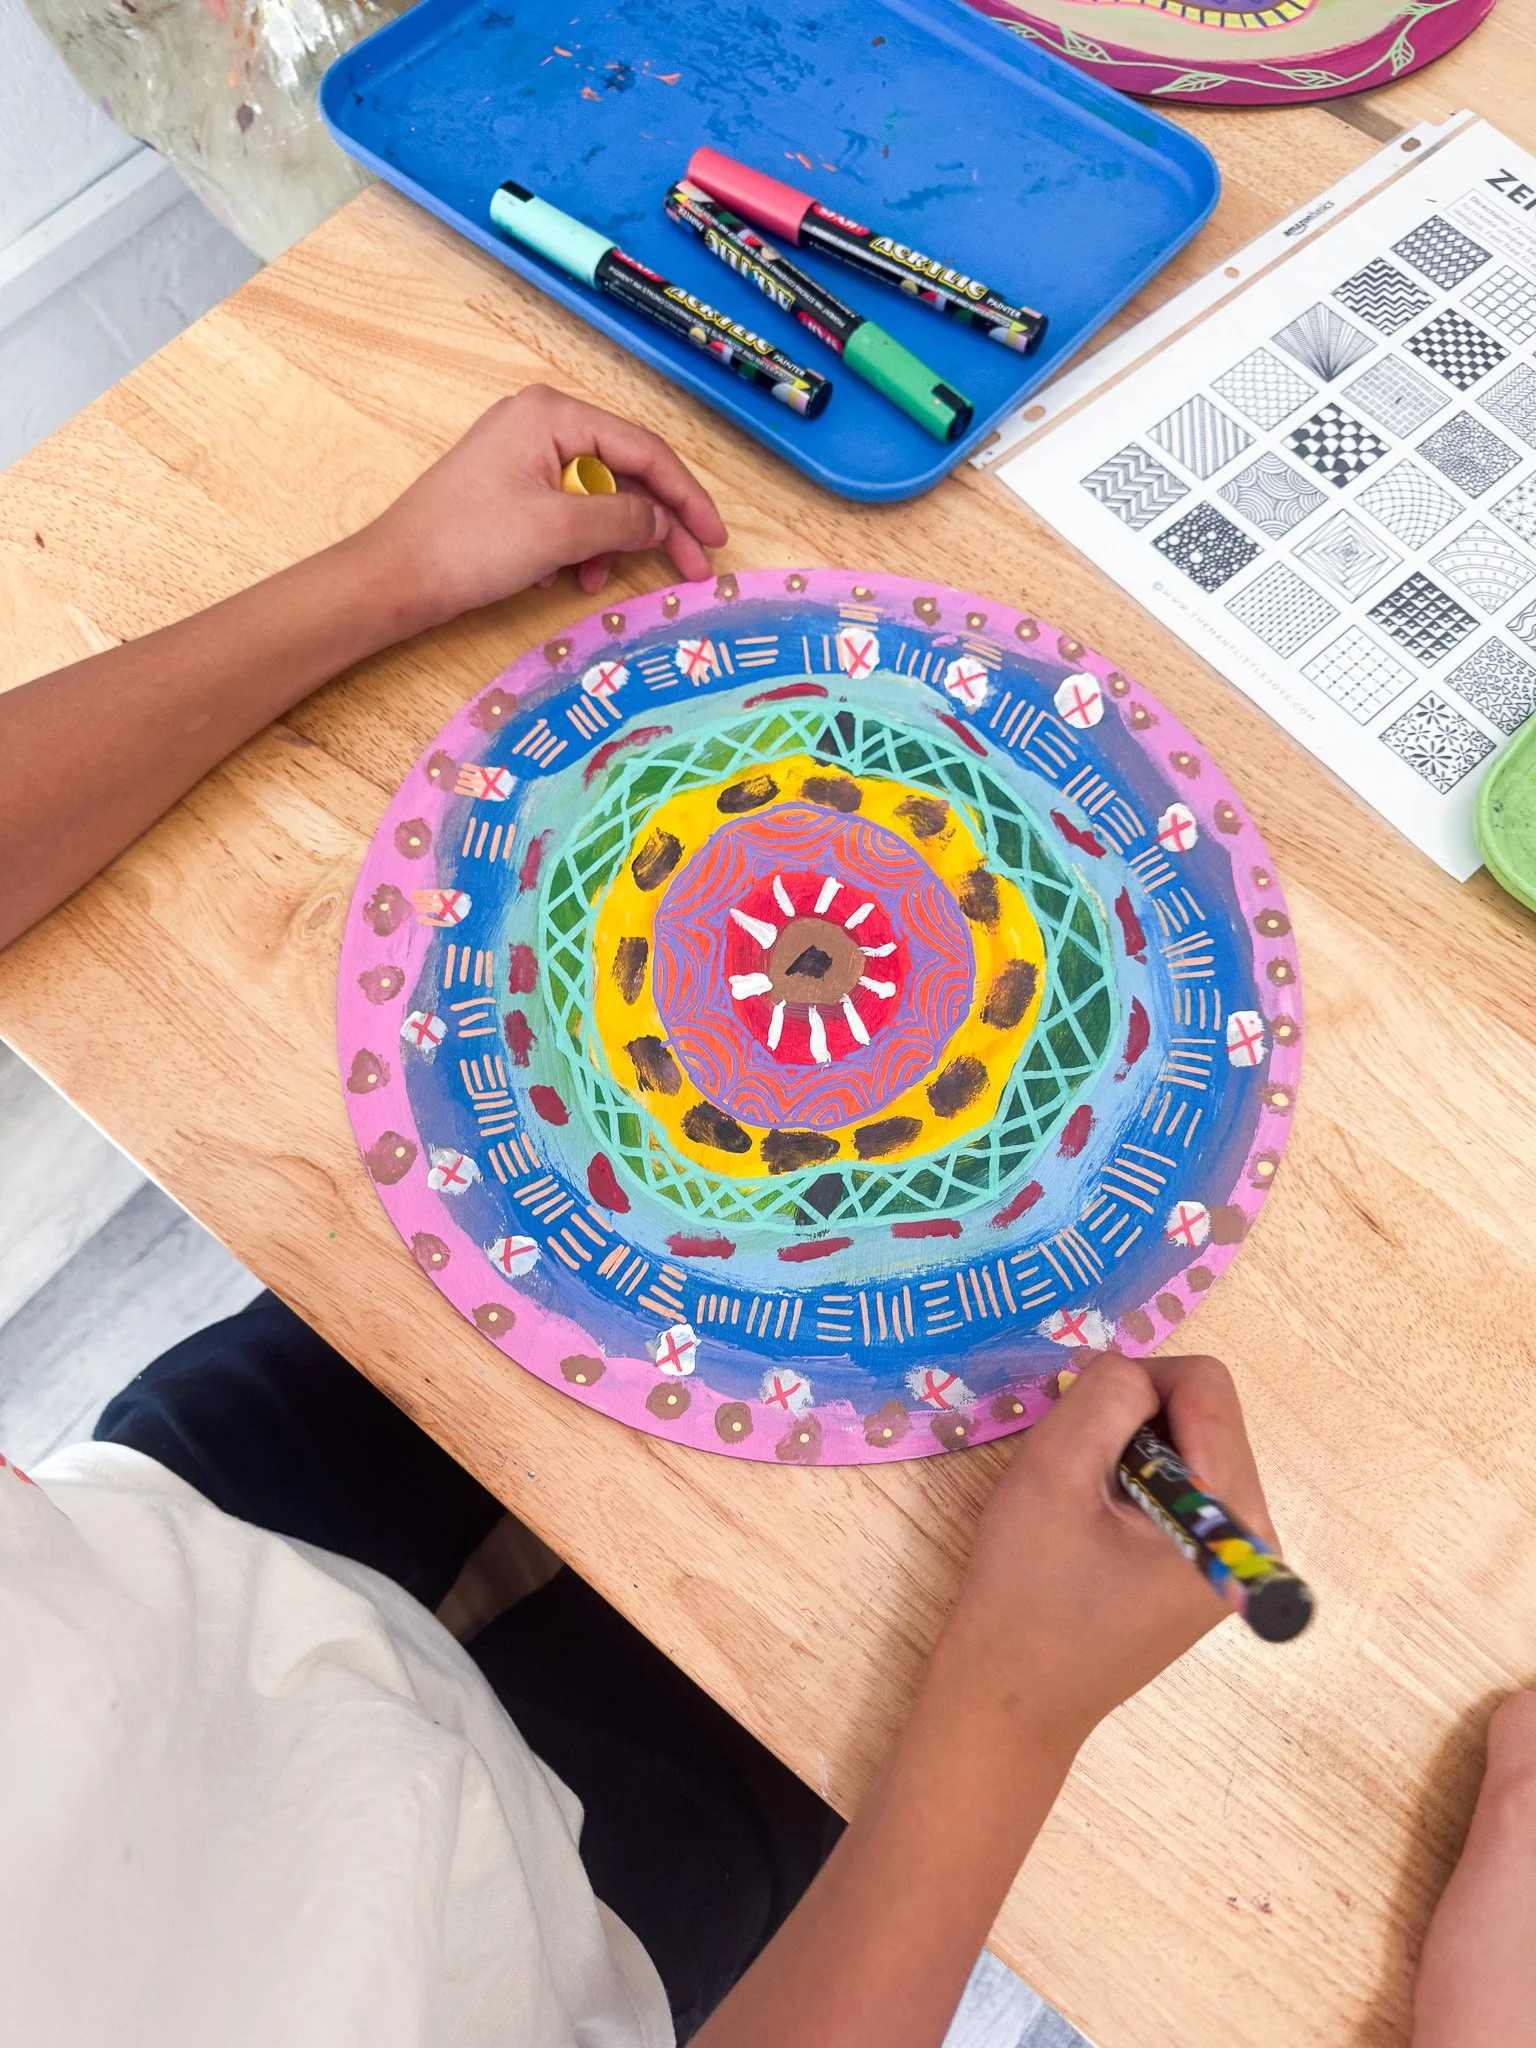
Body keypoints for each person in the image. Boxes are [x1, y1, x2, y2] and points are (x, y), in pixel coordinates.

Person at [0, 386, 1518, 2048]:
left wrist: (380, 577)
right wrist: (1003, 1719)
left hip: (168, 1547)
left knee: (475, 1299)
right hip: (569, 1927)